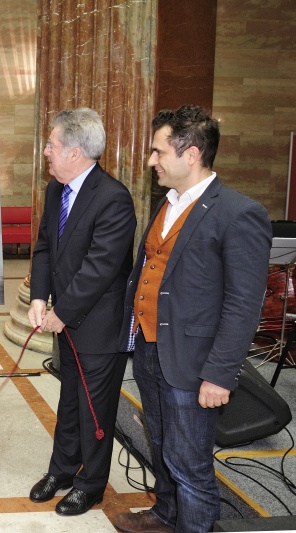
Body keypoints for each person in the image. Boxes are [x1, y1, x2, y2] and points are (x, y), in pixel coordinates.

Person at [112, 106, 272, 533]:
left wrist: (220, 375)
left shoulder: (239, 213)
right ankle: (165, 515)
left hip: (195, 363)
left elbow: (244, 304)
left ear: (192, 154)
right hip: (151, 350)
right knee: (162, 446)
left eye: (158, 151)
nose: (151, 161)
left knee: (191, 464)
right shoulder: (166, 203)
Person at [27, 107, 136, 516]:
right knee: (69, 401)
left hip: (98, 325)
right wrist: (39, 296)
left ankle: (90, 484)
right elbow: (43, 248)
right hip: (67, 322)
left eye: (52, 145)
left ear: (75, 152)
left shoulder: (113, 198)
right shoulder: (57, 190)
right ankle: (62, 470)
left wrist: (62, 312)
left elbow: (100, 268)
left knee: (95, 408)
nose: (46, 153)